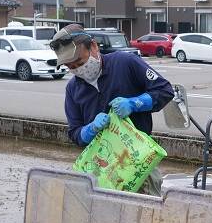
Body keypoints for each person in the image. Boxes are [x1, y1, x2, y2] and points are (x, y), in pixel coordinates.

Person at [50, 24, 174, 196]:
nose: (78, 69)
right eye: (71, 67)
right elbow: (75, 133)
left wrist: (134, 103)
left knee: (145, 216)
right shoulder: (73, 89)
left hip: (138, 163)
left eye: (80, 62)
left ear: (93, 46)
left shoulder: (125, 63)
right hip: (102, 170)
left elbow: (164, 90)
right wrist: (90, 128)